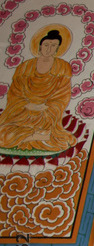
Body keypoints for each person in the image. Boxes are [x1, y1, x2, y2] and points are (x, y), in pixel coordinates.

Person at [0, 25, 76, 153]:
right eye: (46, 45)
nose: (49, 49)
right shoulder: (25, 67)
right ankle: (37, 137)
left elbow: (62, 95)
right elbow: (15, 92)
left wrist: (46, 107)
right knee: (2, 133)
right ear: (40, 46)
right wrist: (27, 105)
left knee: (59, 138)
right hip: (22, 113)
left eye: (53, 46)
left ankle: (36, 136)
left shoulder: (62, 67)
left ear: (58, 48)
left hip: (46, 114)